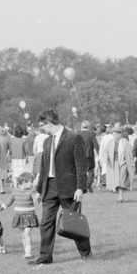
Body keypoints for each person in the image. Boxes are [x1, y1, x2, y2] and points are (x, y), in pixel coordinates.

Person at [30, 109, 92, 265]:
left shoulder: (73, 138)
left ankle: (86, 253)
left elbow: (81, 165)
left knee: (73, 223)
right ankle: (45, 257)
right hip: (49, 187)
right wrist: (38, 190)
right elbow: (44, 168)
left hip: (68, 187)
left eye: (42, 126)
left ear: (49, 124)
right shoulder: (46, 141)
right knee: (46, 223)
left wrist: (80, 187)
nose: (41, 129)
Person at [6, 171, 40, 259]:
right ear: (24, 182)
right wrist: (1, 207)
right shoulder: (15, 192)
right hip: (19, 217)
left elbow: (35, 199)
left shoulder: (31, 191)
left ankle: (28, 253)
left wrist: (37, 198)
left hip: (29, 216)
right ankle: (26, 251)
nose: (32, 184)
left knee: (26, 232)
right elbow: (8, 202)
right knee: (22, 234)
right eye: (31, 182)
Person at [113, 127, 132, 202]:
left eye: (116, 135)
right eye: (114, 135)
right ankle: (119, 195)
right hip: (114, 163)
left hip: (123, 162)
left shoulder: (125, 142)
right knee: (116, 181)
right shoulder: (111, 142)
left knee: (121, 180)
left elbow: (129, 153)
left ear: (120, 134)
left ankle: (120, 196)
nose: (115, 136)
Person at [0, 126, 11, 193]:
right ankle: (2, 187)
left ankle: (1, 188)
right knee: (3, 172)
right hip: (4, 157)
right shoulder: (6, 139)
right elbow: (9, 149)